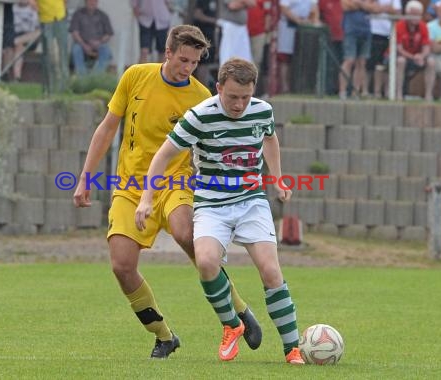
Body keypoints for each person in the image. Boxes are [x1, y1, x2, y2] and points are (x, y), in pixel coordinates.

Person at [73, 25, 262, 359]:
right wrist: (86, 177)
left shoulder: (203, 96)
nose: (187, 68)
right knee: (121, 265)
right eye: (183, 60)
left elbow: (220, 145)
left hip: (176, 182)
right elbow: (107, 128)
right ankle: (164, 336)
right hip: (130, 186)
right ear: (168, 52)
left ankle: (239, 310)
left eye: (194, 62)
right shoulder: (135, 77)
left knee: (186, 233)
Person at [135, 57, 304, 364]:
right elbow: (163, 156)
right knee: (207, 262)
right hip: (211, 202)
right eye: (232, 97)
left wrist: (278, 178)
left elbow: (270, 138)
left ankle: (292, 349)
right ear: (219, 88)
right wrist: (147, 198)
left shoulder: (262, 110)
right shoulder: (199, 116)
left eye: (245, 97)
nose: (239, 104)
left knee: (270, 270)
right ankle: (232, 324)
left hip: (251, 201)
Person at [395, 0, 435, 101]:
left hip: (417, 56)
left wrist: (421, 56)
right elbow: (399, 49)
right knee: (401, 61)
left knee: (431, 62)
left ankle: (428, 95)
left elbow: (426, 47)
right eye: (413, 14)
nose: (415, 17)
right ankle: (398, 93)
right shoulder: (399, 25)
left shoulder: (423, 26)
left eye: (418, 15)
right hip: (402, 56)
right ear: (407, 14)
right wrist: (413, 57)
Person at [277, 0, 320, 94]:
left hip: (306, 26)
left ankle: (303, 87)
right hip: (289, 25)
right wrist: (298, 20)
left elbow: (314, 8)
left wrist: (313, 20)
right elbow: (284, 8)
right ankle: (285, 87)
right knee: (285, 58)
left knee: (304, 57)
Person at [339, 0, 378, 99]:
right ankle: (342, 91)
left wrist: (358, 4)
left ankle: (356, 91)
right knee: (349, 60)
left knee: (361, 62)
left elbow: (375, 8)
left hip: (366, 31)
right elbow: (345, 6)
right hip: (350, 30)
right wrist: (364, 5)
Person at [29, 0, 69, 95]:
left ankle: (64, 88)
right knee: (49, 56)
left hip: (60, 17)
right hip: (46, 21)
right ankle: (49, 89)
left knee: (62, 54)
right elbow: (32, 3)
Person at [366, 0, 401, 98]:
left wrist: (380, 8)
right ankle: (366, 90)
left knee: (384, 64)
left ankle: (384, 92)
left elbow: (397, 13)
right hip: (373, 31)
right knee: (370, 63)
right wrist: (386, 9)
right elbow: (369, 7)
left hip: (389, 33)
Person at [69, 0, 113, 76]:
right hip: (82, 43)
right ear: (85, 2)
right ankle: (82, 78)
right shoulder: (78, 14)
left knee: (106, 50)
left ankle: (96, 76)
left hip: (99, 43)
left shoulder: (103, 15)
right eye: (90, 1)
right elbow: (74, 32)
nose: (92, 3)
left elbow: (108, 34)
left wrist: (99, 42)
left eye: (94, 1)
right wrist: (84, 45)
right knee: (76, 49)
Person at [217, 0, 255, 66]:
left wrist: (242, 3)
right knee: (228, 57)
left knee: (244, 58)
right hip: (230, 26)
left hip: (242, 28)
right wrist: (245, 3)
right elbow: (233, 6)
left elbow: (253, 3)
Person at [192, 0, 219, 90]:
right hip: (202, 35)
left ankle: (204, 89)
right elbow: (197, 14)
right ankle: (202, 90)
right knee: (202, 64)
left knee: (206, 64)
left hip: (210, 36)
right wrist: (215, 21)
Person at [13, 0, 40, 82]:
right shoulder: (12, 8)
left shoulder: (33, 9)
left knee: (18, 44)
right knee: (19, 46)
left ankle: (16, 77)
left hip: (31, 38)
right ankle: (17, 77)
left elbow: (38, 28)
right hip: (16, 36)